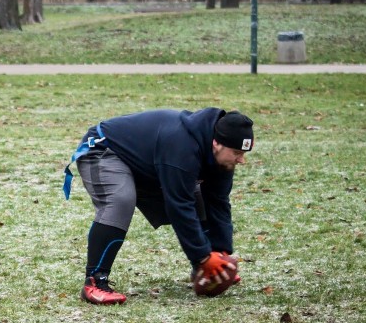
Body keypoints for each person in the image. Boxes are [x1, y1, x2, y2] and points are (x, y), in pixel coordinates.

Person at [63, 108, 254, 304]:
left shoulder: (222, 157)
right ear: (216, 143)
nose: (241, 160)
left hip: (145, 163)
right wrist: (203, 256)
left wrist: (220, 252)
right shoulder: (182, 146)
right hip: (103, 150)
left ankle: (204, 267)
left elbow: (219, 202)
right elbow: (179, 204)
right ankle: (95, 281)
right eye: (237, 153)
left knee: (201, 198)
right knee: (120, 199)